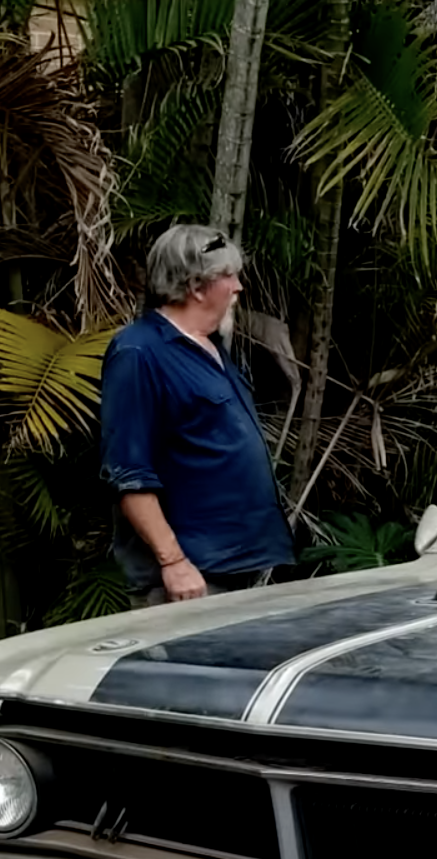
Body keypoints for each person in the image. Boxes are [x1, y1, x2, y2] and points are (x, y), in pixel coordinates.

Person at [99, 224, 294, 607]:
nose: (238, 286)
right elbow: (128, 472)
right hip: (189, 580)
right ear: (197, 287)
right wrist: (174, 562)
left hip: (233, 568)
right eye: (228, 276)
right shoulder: (139, 352)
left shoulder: (212, 347)